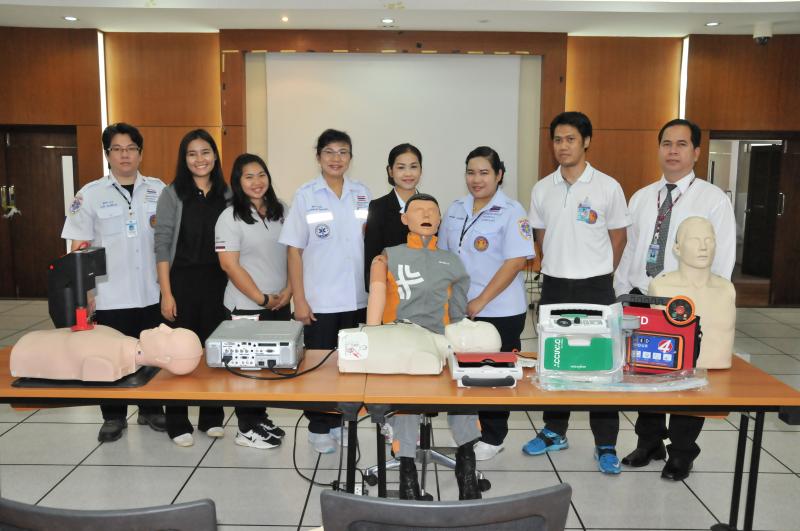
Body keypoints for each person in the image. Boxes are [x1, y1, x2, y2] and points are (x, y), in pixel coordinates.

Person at [614, 118, 736, 481]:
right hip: (643, 296)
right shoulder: (642, 196)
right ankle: (649, 442)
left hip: (688, 302)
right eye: (666, 143)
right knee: (645, 372)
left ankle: (682, 452)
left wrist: (712, 301)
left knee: (689, 376)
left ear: (696, 152)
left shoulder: (712, 199)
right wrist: (622, 290)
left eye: (682, 144)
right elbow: (632, 248)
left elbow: (723, 256)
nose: (672, 151)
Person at [524, 112, 630, 474]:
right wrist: (561, 264)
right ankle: (554, 431)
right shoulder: (542, 188)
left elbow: (619, 237)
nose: (563, 146)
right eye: (557, 140)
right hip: (555, 284)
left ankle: (606, 443)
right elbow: (541, 237)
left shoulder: (607, 186)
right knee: (555, 360)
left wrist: (598, 271)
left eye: (570, 139)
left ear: (586, 141)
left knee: (603, 363)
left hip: (596, 285)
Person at [367, 193, 481, 500]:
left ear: (440, 220)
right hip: (400, 343)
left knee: (464, 383)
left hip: (443, 343)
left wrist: (462, 350)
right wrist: (372, 343)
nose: (426, 214)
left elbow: (458, 314)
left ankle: (466, 464)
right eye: (418, 210)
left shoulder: (453, 262)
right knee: (406, 393)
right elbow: (375, 304)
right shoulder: (387, 257)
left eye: (432, 210)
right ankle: (407, 471)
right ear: (405, 219)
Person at [61, 122, 166, 443]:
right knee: (107, 356)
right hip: (109, 294)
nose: (125, 155)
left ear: (140, 153)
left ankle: (151, 409)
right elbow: (78, 246)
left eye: (131, 148)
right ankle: (113, 416)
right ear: (107, 154)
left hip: (151, 290)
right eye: (117, 149)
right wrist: (85, 292)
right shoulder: (90, 195)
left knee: (152, 352)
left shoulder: (159, 190)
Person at [438, 146, 534, 461]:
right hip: (461, 307)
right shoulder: (456, 208)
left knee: (495, 374)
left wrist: (481, 299)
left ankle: (494, 437)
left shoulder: (512, 211)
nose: (476, 179)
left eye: (484, 173)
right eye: (471, 172)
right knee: (464, 370)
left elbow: (515, 261)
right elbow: (445, 255)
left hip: (500, 308)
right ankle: (469, 431)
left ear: (499, 175)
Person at [279, 129, 371, 454]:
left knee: (350, 366)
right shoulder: (306, 195)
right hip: (319, 299)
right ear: (318, 157)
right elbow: (294, 251)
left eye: (343, 152)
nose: (336, 158)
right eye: (329, 152)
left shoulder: (362, 193)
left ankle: (342, 422)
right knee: (318, 367)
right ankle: (319, 427)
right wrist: (299, 300)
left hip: (356, 298)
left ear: (350, 157)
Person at [155, 129, 229, 447]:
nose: (200, 159)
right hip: (181, 281)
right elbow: (161, 245)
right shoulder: (172, 193)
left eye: (205, 152)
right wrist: (166, 292)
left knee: (214, 350)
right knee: (179, 353)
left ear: (215, 156)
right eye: (192, 154)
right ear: (184, 159)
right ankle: (177, 421)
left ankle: (211, 417)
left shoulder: (227, 193)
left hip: (219, 282)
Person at [214, 153, 290, 450]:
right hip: (246, 305)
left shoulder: (282, 210)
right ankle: (245, 428)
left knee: (269, 365)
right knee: (247, 368)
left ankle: (260, 417)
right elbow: (229, 265)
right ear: (238, 182)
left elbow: (295, 253)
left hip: (280, 301)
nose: (257, 182)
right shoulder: (229, 217)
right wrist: (261, 298)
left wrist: (289, 291)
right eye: (249, 177)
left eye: (261, 174)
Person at [11, 324, 203, 381]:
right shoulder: (116, 338)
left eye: (168, 335)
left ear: (163, 358)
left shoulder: (106, 362)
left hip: (27, 351)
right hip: (31, 342)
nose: (163, 326)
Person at [363, 143, 423, 290]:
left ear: (421, 170)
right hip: (390, 291)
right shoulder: (378, 207)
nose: (408, 173)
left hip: (425, 292)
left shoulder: (429, 206)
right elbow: (372, 257)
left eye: (413, 167)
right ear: (390, 171)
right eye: (401, 167)